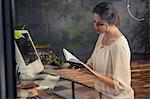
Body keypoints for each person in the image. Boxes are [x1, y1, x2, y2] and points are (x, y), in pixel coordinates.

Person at [86, 2, 134, 99]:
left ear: (111, 22)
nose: (95, 27)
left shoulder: (120, 46)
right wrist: (82, 66)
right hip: (101, 94)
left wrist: (96, 74)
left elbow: (120, 85)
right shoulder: (102, 36)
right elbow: (92, 61)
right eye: (94, 22)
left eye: (100, 24)